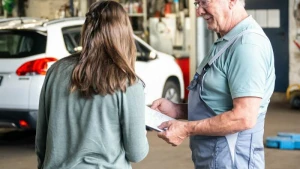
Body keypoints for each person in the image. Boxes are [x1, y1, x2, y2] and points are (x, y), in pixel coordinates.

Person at [151, 0, 275, 168]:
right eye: (197, 4)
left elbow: (243, 117)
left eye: (204, 2)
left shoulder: (248, 46)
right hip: (213, 158)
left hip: (232, 161)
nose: (198, 11)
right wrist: (177, 110)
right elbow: (217, 104)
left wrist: (187, 129)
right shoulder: (227, 40)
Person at [35, 1, 149, 169]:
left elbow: (41, 140)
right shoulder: (128, 83)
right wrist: (142, 131)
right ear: (124, 33)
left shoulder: (56, 71)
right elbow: (137, 152)